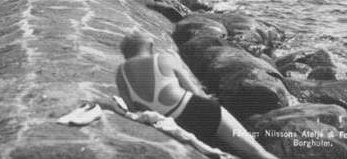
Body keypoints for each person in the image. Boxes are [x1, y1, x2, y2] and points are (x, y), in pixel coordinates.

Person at [115, 31, 278, 159]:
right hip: (198, 111)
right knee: (257, 152)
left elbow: (132, 108)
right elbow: (196, 92)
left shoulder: (120, 73)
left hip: (175, 121)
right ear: (150, 46)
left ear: (127, 53)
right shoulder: (164, 58)